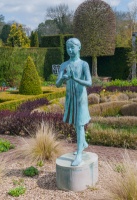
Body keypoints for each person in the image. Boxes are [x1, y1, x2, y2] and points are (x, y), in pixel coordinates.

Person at [56, 38, 92, 166]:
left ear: (79, 48)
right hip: (70, 97)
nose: (70, 50)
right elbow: (57, 84)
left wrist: (75, 79)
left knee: (80, 123)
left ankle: (79, 154)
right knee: (76, 124)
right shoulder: (64, 65)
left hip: (81, 98)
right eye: (68, 47)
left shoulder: (84, 64)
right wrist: (63, 79)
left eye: (73, 47)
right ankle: (83, 144)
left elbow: (89, 82)